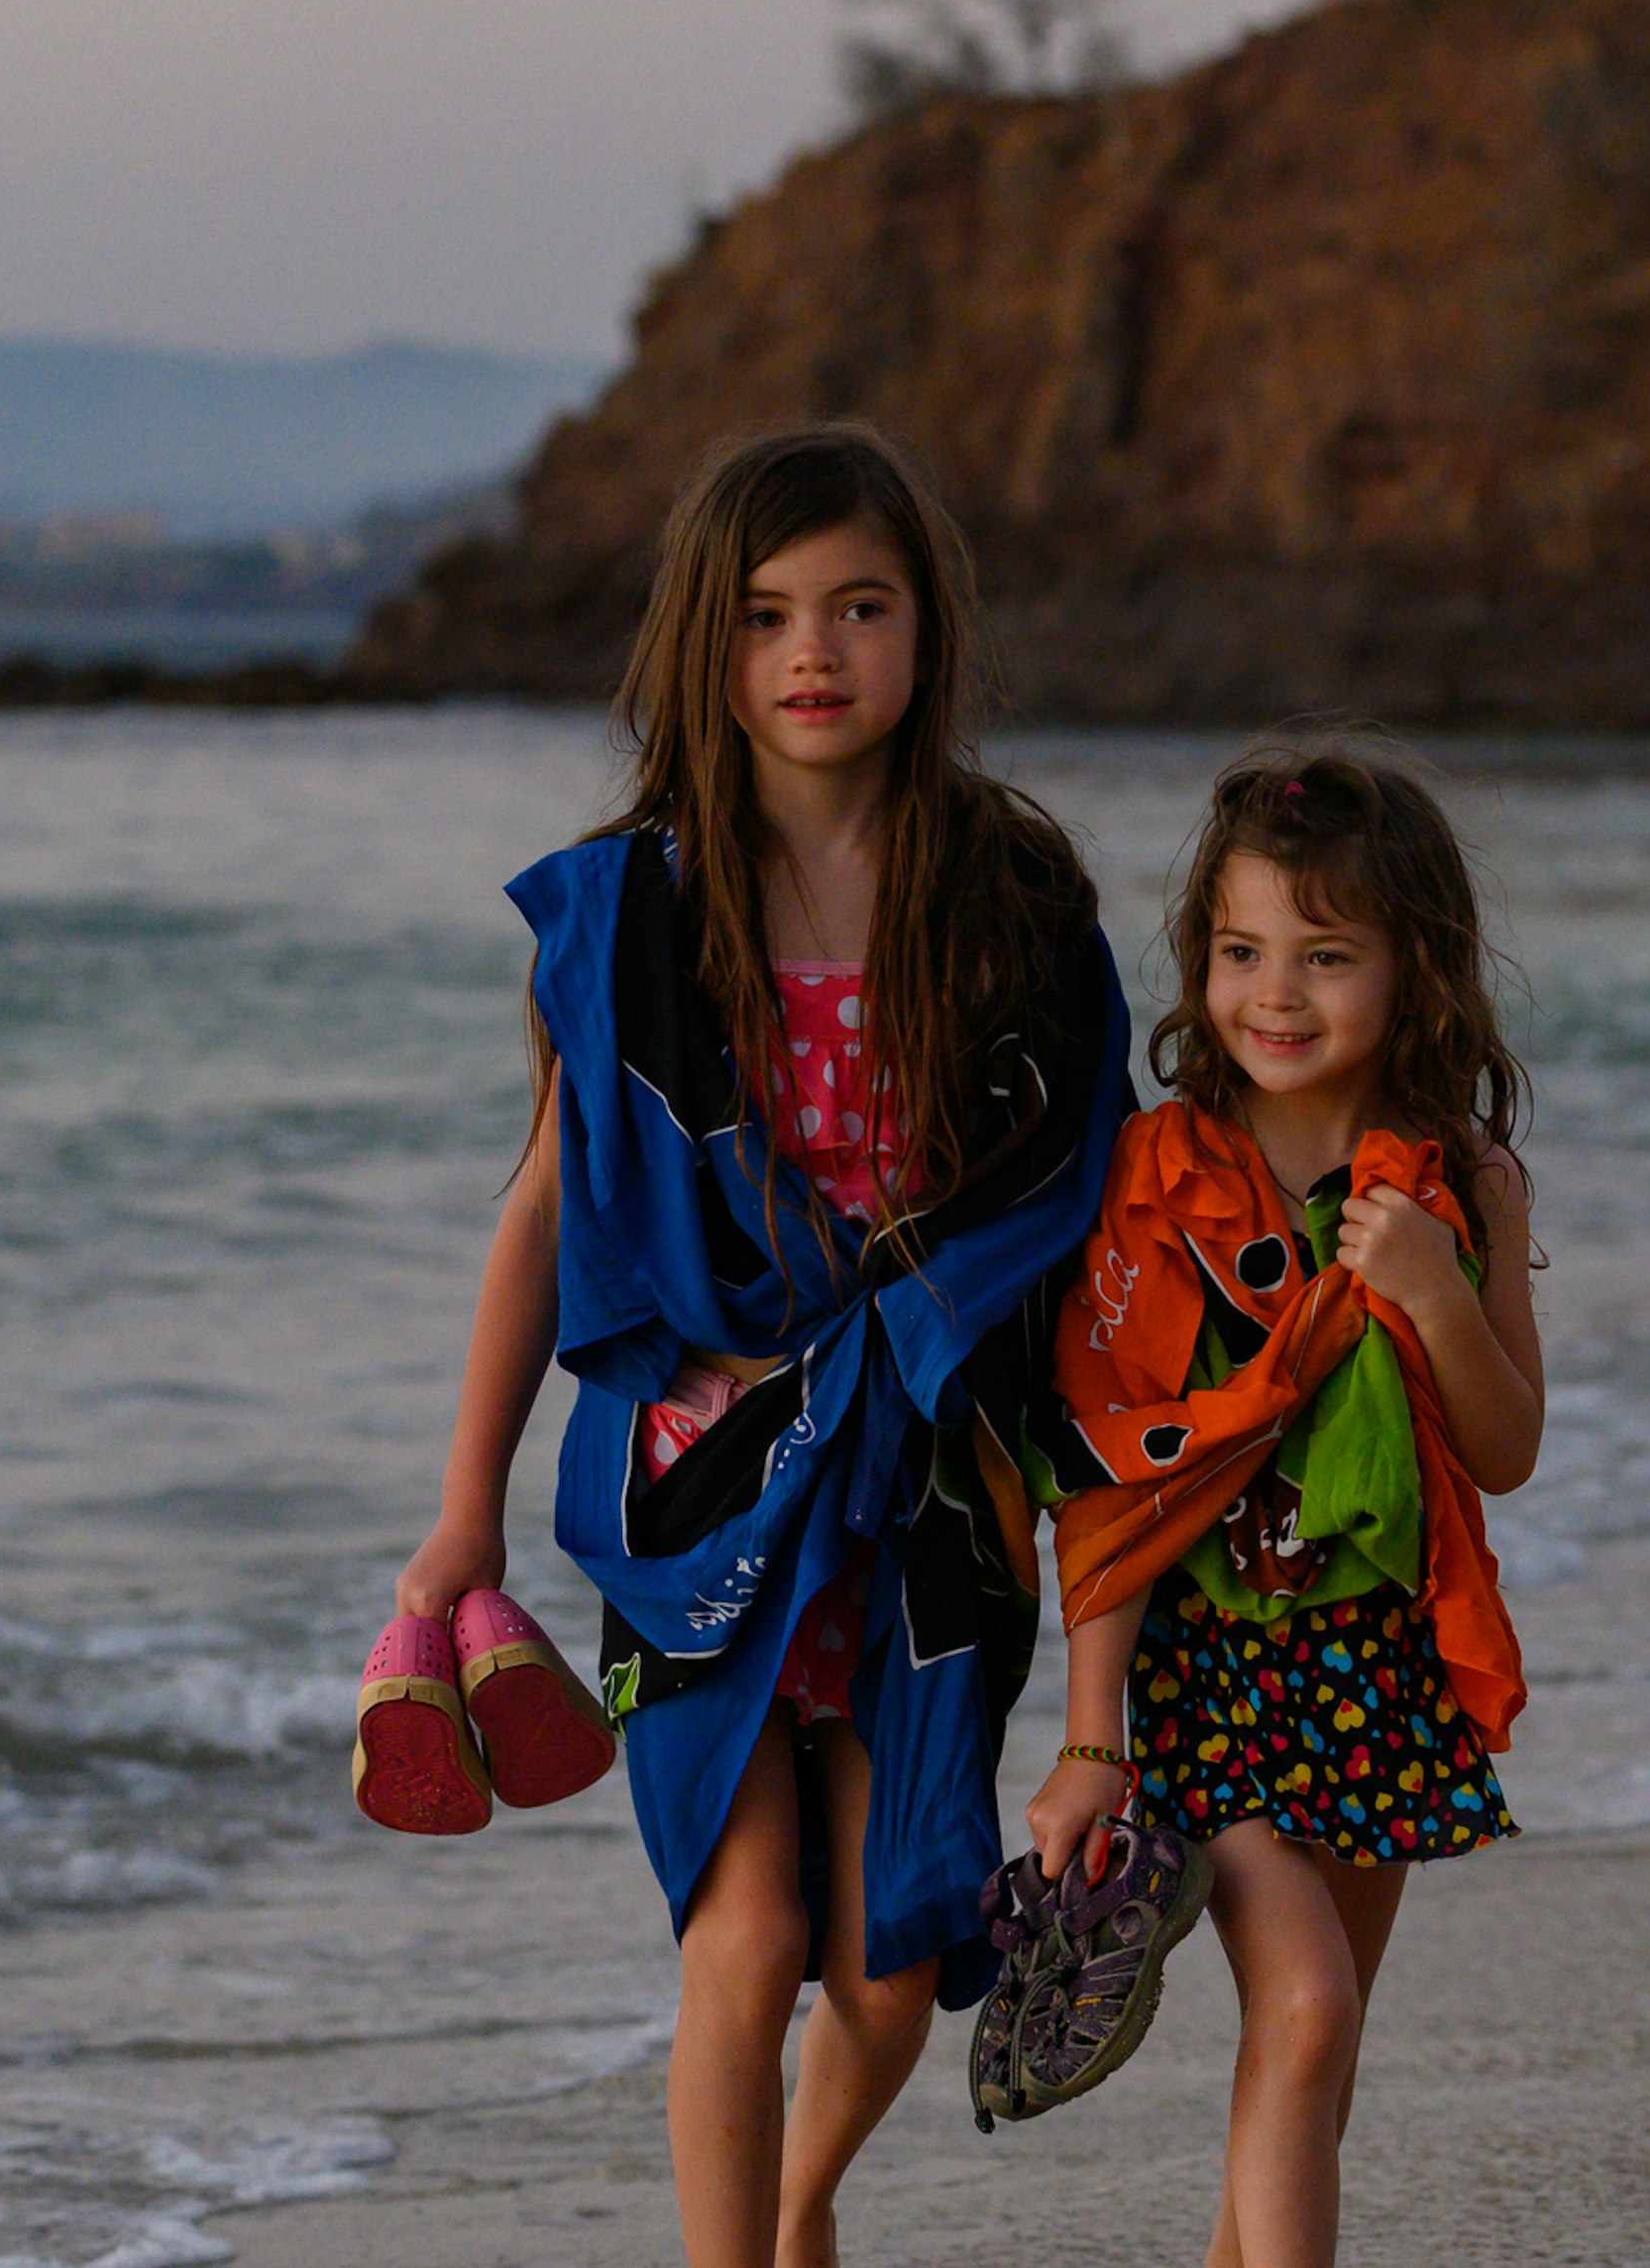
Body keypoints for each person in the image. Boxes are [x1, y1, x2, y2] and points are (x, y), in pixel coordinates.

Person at [389, 424, 1128, 2268]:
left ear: (924, 631)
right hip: (699, 1489)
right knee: (740, 1943)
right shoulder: (627, 914)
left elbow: (1085, 1197)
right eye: (770, 613)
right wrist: (460, 1511)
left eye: (860, 607)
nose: (816, 651)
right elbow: (549, 1212)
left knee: (887, 1966)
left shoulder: (1017, 900)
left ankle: (800, 2210)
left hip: (933, 1489)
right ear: (703, 647)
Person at [1022, 741, 1541, 2268]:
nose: (1278, 995)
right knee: (1302, 2013)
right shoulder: (1157, 1174)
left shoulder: (1466, 1179)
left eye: (1328, 956)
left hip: (1378, 1671)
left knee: (1318, 2060)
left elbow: (1503, 1448)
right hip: (1209, 1679)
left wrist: (1435, 1290)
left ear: (1415, 971)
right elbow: (1110, 1474)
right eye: (1243, 951)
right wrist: (1088, 1742)